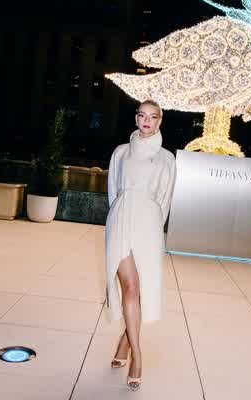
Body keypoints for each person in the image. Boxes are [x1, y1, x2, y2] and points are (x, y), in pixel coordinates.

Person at [104, 99, 176, 391]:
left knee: (141, 289)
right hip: (120, 219)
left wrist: (154, 226)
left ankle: (125, 342)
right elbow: (113, 191)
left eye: (153, 116)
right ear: (136, 119)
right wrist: (117, 216)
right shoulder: (120, 152)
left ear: (160, 121)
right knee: (130, 287)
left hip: (148, 224)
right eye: (142, 115)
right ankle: (137, 355)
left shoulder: (166, 159)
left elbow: (165, 200)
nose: (147, 120)